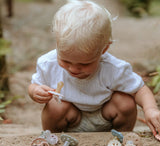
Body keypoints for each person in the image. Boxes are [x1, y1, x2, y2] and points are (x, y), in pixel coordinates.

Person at [28, 0, 160, 135]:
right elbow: (34, 85)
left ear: (104, 49)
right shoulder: (48, 64)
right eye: (65, 61)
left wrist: (150, 109)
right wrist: (35, 92)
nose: (73, 69)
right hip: (71, 118)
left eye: (84, 64)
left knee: (125, 102)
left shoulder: (113, 68)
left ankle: (122, 137)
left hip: (105, 117)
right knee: (54, 106)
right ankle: (52, 137)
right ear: (57, 44)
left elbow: (140, 90)